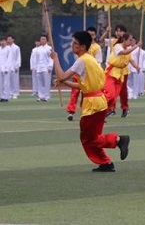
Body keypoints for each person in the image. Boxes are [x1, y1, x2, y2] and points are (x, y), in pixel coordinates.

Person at [52, 31, 130, 172]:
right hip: (99, 101)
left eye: (75, 43)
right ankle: (105, 163)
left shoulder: (81, 61)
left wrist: (55, 59)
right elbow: (83, 86)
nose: (72, 45)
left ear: (83, 46)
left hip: (92, 104)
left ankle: (118, 140)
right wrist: (65, 83)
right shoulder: (90, 59)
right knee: (92, 137)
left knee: (88, 139)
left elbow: (62, 76)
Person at [67, 28, 103, 121]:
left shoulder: (96, 47)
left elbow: (98, 62)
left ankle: (88, 111)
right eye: (89, 34)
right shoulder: (80, 46)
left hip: (90, 73)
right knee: (75, 91)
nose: (91, 36)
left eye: (92, 35)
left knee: (87, 92)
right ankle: (71, 110)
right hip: (79, 70)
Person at [104, 32, 140, 118]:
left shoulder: (129, 49)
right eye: (129, 40)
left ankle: (107, 111)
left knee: (114, 96)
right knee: (110, 94)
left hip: (121, 74)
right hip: (112, 72)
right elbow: (124, 52)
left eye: (132, 40)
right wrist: (136, 46)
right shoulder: (117, 46)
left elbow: (131, 60)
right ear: (124, 40)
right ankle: (102, 110)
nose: (131, 42)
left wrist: (137, 67)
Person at [31, 35, 53, 102]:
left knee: (46, 83)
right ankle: (41, 96)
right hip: (39, 68)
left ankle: (47, 96)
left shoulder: (49, 48)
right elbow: (36, 59)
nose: (42, 40)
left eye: (44, 39)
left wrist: (50, 66)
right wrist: (35, 67)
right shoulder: (38, 49)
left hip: (46, 68)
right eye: (41, 39)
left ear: (46, 40)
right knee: (39, 83)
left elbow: (51, 58)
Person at [0, 37, 11, 102]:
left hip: (5, 67)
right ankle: (1, 97)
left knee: (6, 83)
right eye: (1, 41)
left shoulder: (8, 49)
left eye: (3, 41)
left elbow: (9, 58)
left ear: (5, 42)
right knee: (0, 83)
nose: (2, 42)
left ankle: (6, 97)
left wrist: (6, 68)